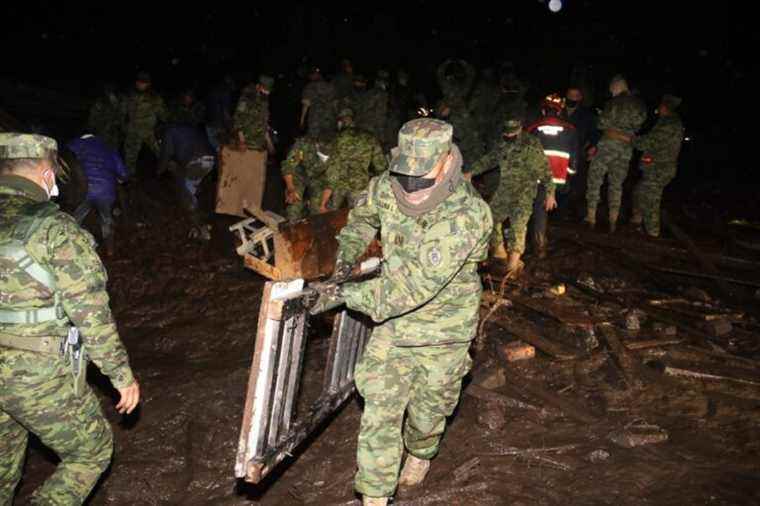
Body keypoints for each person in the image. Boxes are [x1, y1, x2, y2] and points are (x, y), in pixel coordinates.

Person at [308, 118, 492, 506]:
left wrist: (343, 295)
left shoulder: (467, 215)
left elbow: (409, 289)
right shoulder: (385, 187)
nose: (410, 187)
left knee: (427, 417)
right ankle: (374, 497)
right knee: (379, 408)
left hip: (444, 331)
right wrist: (346, 259)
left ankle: (421, 452)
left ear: (445, 163)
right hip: (394, 328)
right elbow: (361, 219)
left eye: (421, 177)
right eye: (404, 175)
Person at [0, 133, 140, 505]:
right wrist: (120, 376)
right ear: (47, 172)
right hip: (33, 374)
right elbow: (90, 314)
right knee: (90, 453)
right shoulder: (56, 231)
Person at [468, 118, 556, 276]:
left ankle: (512, 265)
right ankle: (499, 252)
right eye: (507, 134)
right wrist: (471, 172)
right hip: (505, 190)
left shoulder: (531, 144)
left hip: (524, 191)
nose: (509, 136)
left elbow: (545, 168)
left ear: (520, 129)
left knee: (518, 225)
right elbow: (489, 159)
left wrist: (550, 192)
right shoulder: (502, 144)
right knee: (490, 218)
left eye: (513, 134)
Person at [585, 75, 646, 232]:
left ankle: (591, 217)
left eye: (612, 89)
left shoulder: (613, 103)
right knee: (616, 184)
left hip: (607, 146)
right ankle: (613, 220)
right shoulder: (639, 105)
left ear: (617, 87)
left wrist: (609, 126)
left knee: (595, 180)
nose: (611, 92)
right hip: (625, 149)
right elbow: (639, 125)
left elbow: (601, 124)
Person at [526, 94, 578, 257]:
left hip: (538, 177)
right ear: (560, 111)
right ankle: (544, 238)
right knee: (550, 207)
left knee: (538, 209)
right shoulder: (570, 129)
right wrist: (569, 175)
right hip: (559, 178)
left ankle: (539, 245)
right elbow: (574, 158)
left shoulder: (533, 128)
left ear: (543, 110)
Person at [631, 94, 684, 237]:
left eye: (660, 106)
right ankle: (637, 224)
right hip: (656, 168)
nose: (658, 108)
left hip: (659, 169)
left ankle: (653, 236)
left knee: (651, 203)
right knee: (639, 192)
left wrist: (630, 139)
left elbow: (649, 142)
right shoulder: (667, 122)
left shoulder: (669, 124)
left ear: (665, 107)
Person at [68, 133, 129, 256]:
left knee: (75, 220)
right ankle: (110, 250)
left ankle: (70, 249)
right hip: (106, 191)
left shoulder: (74, 145)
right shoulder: (108, 147)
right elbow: (123, 174)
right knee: (106, 219)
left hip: (83, 189)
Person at [320, 108, 386, 212]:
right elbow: (381, 165)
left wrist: (324, 198)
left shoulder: (337, 138)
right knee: (359, 218)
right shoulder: (369, 137)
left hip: (338, 185)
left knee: (330, 216)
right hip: (360, 184)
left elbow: (333, 167)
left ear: (340, 122)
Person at [158, 125, 216, 239]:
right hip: (210, 160)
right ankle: (200, 224)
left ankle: (202, 231)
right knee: (191, 187)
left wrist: (158, 171)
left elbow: (165, 155)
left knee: (186, 195)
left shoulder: (169, 132)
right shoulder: (186, 129)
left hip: (196, 162)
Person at [121, 71, 168, 177]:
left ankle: (166, 171)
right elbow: (122, 113)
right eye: (139, 81)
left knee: (162, 151)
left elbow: (163, 114)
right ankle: (129, 176)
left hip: (149, 131)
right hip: (133, 131)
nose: (141, 84)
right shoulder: (129, 95)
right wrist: (124, 127)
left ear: (148, 84)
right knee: (130, 156)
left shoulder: (155, 98)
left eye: (144, 82)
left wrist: (164, 125)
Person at [233, 75, 275, 153]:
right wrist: (242, 141)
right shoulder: (247, 97)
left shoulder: (264, 99)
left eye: (269, 90)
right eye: (266, 89)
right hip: (246, 144)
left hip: (259, 145)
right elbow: (238, 118)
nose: (268, 92)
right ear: (259, 86)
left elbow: (263, 121)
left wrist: (269, 142)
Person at [300, 66, 337, 139]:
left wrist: (302, 120)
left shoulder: (309, 87)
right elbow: (335, 103)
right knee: (329, 139)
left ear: (312, 75)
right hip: (330, 118)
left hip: (315, 119)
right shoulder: (330, 86)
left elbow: (306, 104)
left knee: (315, 140)